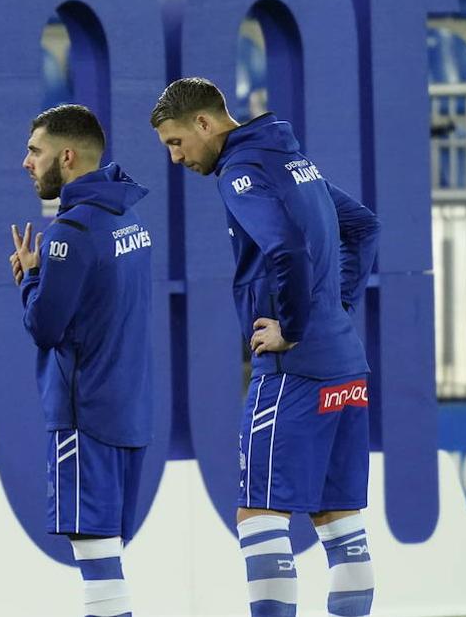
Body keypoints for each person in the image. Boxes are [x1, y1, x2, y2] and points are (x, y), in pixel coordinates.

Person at [150, 78, 382, 617]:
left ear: (205, 123)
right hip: (345, 365)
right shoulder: (293, 160)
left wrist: (294, 328)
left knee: (259, 517)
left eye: (176, 142)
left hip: (293, 370)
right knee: (340, 522)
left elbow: (286, 247)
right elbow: (364, 228)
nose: (175, 156)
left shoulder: (240, 171)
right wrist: (333, 307)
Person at [8, 104, 153, 617]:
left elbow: (45, 328)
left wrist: (29, 279)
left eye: (35, 151)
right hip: (128, 411)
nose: (26, 162)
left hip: (84, 414)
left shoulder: (72, 231)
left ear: (66, 156)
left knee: (96, 561)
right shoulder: (127, 215)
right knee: (108, 554)